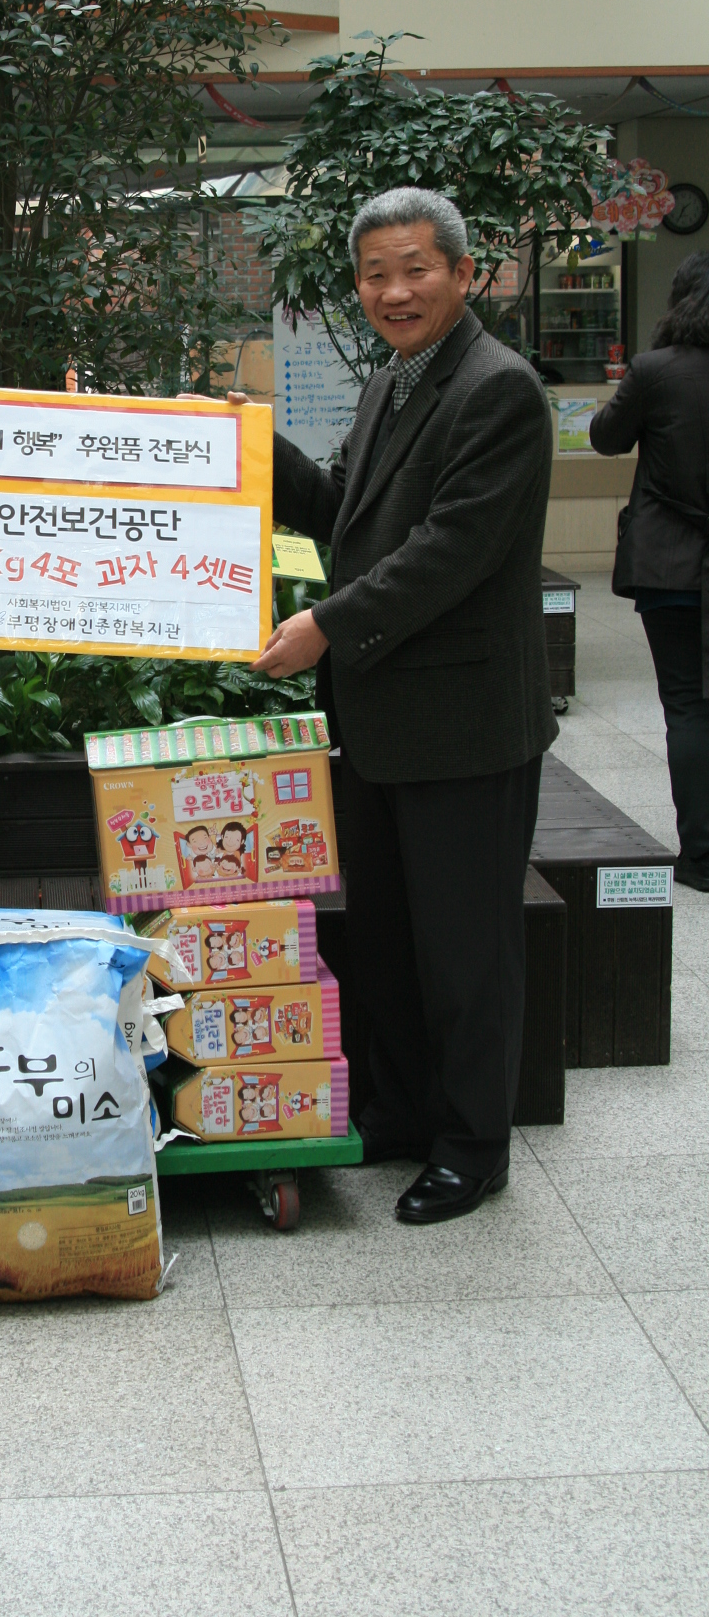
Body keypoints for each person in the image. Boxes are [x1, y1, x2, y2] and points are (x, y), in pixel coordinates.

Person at [253, 187, 555, 1225]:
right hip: (381, 719)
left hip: (465, 725)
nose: (394, 290)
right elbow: (352, 513)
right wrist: (249, 453)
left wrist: (326, 627)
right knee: (383, 936)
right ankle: (402, 1109)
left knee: (465, 950)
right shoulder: (392, 381)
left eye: (415, 268)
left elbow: (449, 552)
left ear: (464, 274)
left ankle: (472, 1146)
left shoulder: (497, 389)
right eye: (375, 274)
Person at [590, 252, 709, 891]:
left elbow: (607, 437)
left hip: (671, 564)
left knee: (687, 705)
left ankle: (700, 856)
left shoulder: (657, 371)